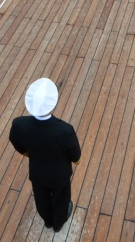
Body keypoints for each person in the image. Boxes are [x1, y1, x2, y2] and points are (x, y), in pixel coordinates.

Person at [8, 78, 81, 232]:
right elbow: (76, 155)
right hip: (59, 175)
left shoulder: (19, 124)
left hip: (37, 172)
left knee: (41, 198)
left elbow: (15, 141)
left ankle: (47, 220)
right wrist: (75, 161)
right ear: (52, 104)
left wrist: (28, 153)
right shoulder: (65, 130)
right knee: (61, 199)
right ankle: (58, 223)